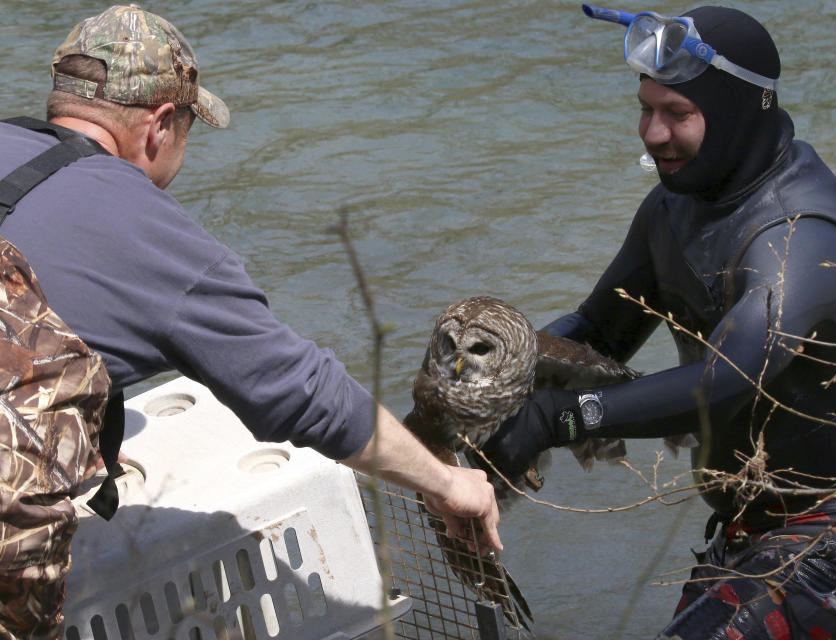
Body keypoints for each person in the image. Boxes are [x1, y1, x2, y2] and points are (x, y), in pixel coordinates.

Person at [0, 5, 501, 636]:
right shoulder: (145, 230)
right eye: (187, 130)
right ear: (159, 126)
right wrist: (444, 481)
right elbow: (300, 390)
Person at [481, 6, 836, 639]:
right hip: (747, 532)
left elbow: (727, 382)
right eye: (645, 108)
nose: (651, 134)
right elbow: (599, 332)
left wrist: (557, 419)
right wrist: (497, 383)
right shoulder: (673, 208)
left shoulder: (800, 237)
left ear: (740, 113)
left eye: (677, 114)